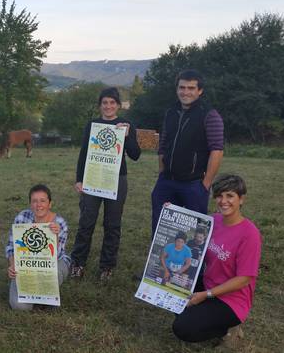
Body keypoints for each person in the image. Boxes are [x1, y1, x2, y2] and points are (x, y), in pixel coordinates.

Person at [172, 174, 262, 347]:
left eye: (230, 196)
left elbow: (244, 279)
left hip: (231, 299)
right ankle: (205, 316)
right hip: (208, 286)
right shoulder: (214, 220)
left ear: (241, 199)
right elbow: (187, 229)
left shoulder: (250, 234)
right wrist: (171, 211)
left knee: (182, 328)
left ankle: (228, 328)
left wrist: (205, 295)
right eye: (219, 195)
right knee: (172, 295)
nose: (223, 201)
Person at [69, 87, 141, 281]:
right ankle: (77, 263)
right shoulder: (92, 125)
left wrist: (127, 136)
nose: (108, 106)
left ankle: (107, 267)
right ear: (100, 105)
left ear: (118, 105)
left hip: (117, 179)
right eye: (104, 103)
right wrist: (79, 179)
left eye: (112, 103)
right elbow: (84, 153)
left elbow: (135, 155)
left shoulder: (126, 125)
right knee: (86, 222)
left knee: (112, 224)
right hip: (93, 178)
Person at [151, 69, 224, 238]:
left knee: (195, 233)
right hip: (166, 182)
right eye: (182, 87)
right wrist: (162, 174)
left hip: (194, 184)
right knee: (161, 228)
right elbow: (163, 145)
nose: (185, 92)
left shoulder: (209, 115)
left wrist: (205, 184)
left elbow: (217, 150)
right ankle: (160, 264)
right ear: (177, 89)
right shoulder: (170, 112)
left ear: (200, 91)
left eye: (191, 88)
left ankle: (198, 265)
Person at [6, 184, 70, 311]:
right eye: (34, 201)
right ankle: (37, 298)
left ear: (50, 204)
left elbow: (55, 255)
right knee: (19, 306)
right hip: (26, 265)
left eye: (43, 201)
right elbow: (11, 247)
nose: (38, 205)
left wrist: (55, 235)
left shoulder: (60, 223)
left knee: (55, 273)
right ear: (30, 204)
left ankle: (46, 295)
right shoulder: (22, 218)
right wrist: (13, 266)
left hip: (55, 263)